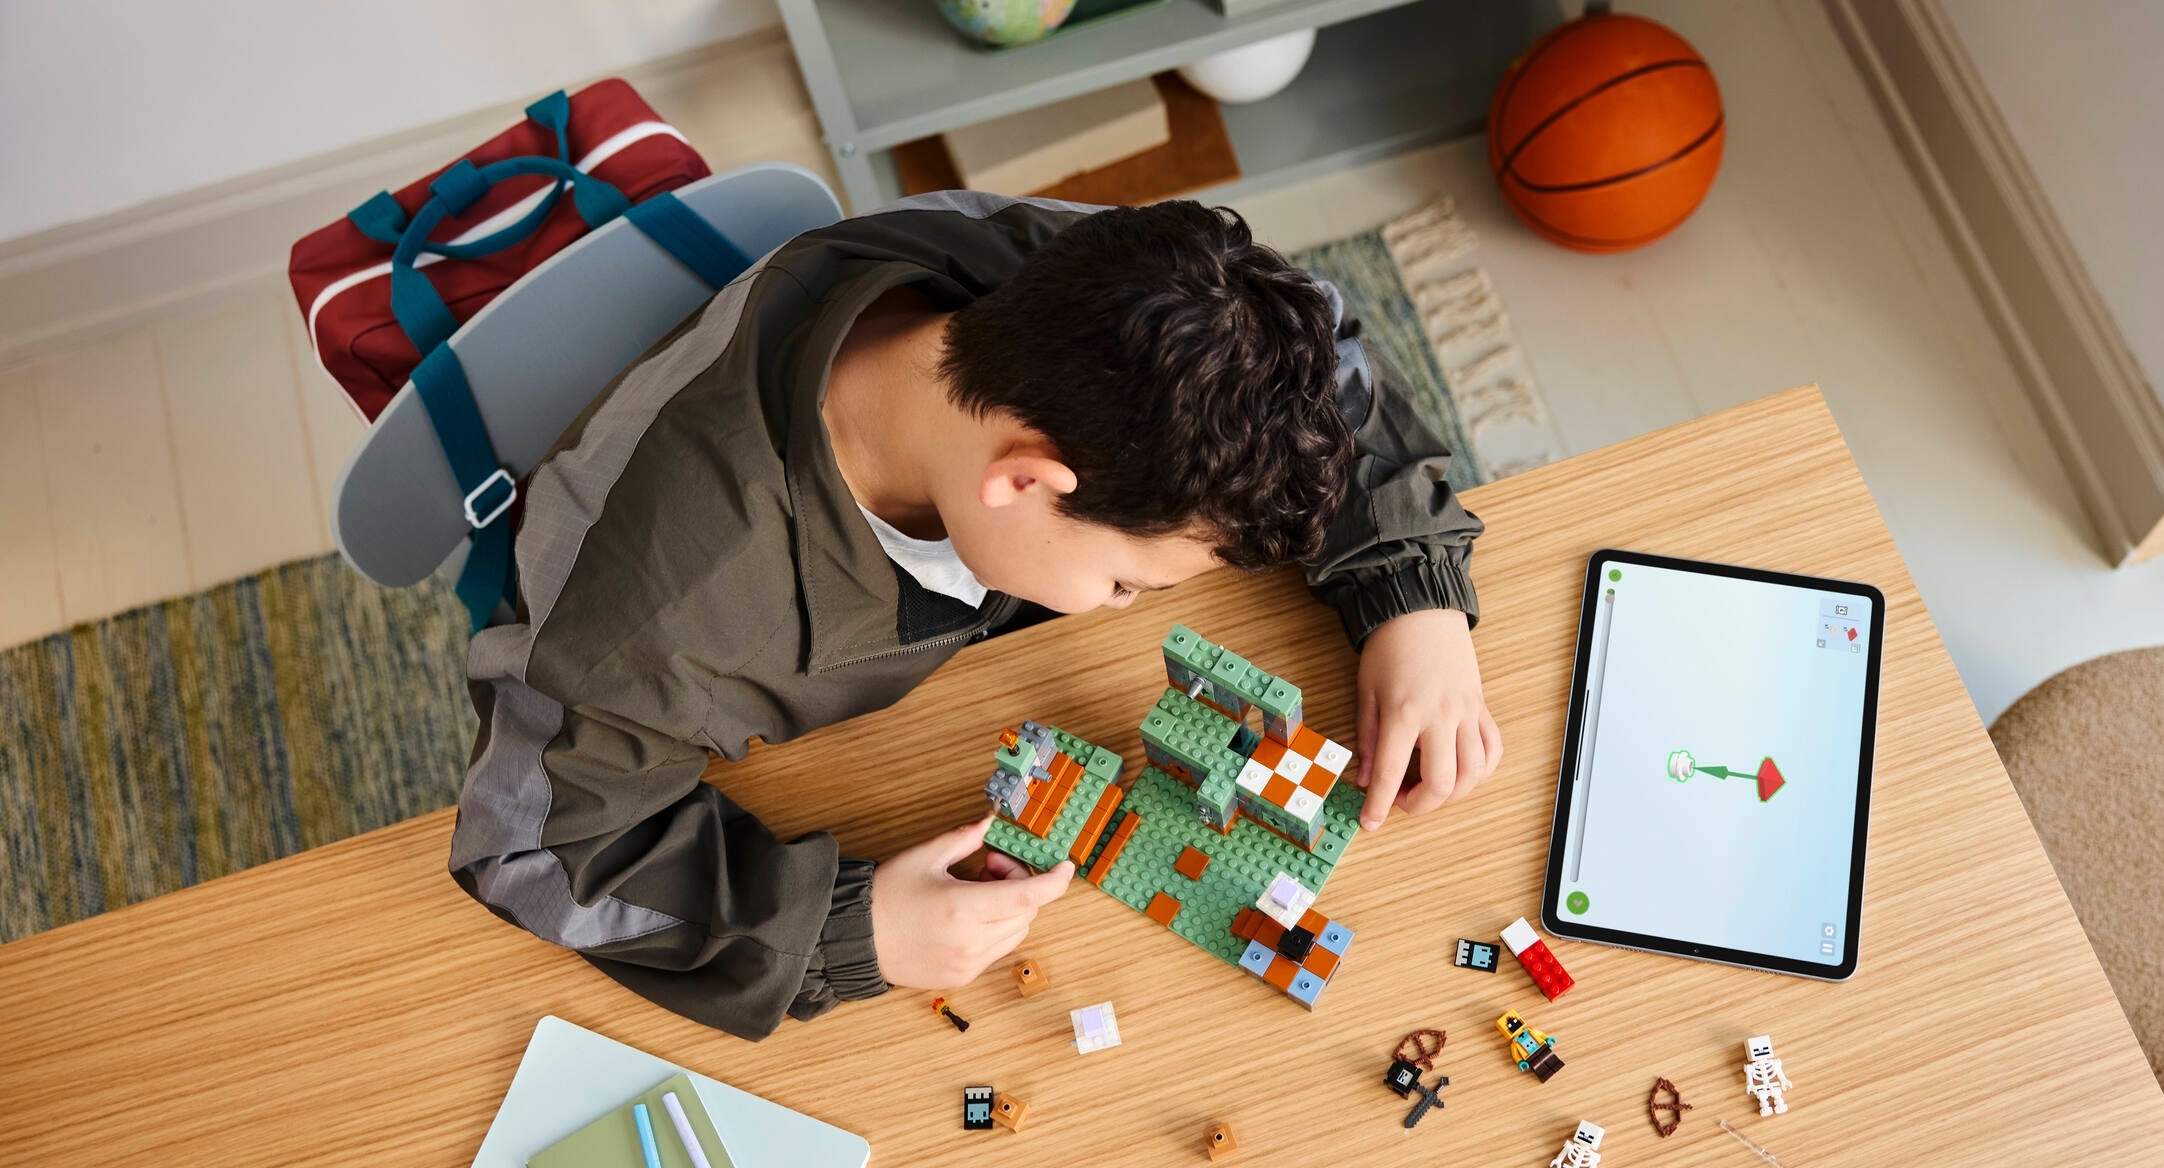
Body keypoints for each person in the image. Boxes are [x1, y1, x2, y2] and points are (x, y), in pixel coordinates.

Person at [449, 191, 1500, 1039]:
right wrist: (839, 930)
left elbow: (1311, 338)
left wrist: (1409, 594)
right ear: (1024, 482)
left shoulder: (1082, 287)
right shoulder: (659, 612)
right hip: (653, 624)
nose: (1123, 610)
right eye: (1129, 584)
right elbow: (530, 848)